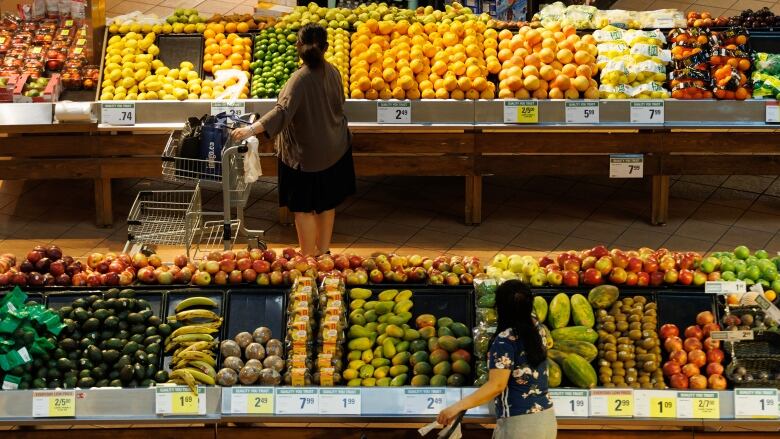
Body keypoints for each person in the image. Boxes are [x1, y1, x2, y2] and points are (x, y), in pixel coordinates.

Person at [231, 23, 355, 257]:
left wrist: (251, 130)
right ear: (326, 47)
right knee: (327, 203)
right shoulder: (334, 71)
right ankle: (323, 252)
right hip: (335, 148)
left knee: (303, 208)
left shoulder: (299, 79)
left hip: (305, 155)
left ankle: (307, 257)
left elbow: (282, 112)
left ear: (298, 46)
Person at [437, 280, 556, 439]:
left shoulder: (504, 341)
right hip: (546, 419)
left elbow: (497, 385)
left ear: (500, 307)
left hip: (519, 425)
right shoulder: (538, 329)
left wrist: (456, 407)